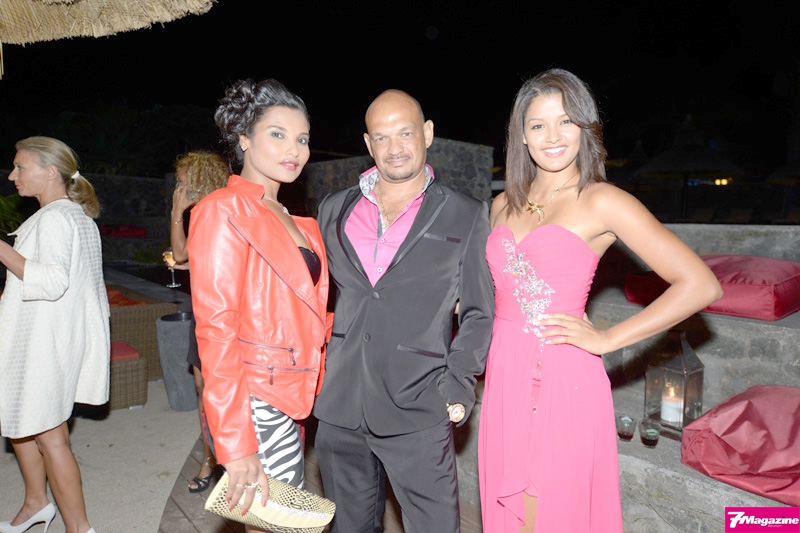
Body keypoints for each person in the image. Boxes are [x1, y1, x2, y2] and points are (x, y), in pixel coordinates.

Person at [478, 68, 723, 533]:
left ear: (584, 128)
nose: (553, 136)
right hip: (506, 376)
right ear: (521, 136)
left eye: (566, 121)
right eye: (538, 125)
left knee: (545, 516)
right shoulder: (501, 205)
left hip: (562, 376)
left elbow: (700, 284)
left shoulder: (602, 201)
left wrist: (609, 339)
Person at [313, 89, 494, 533]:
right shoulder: (333, 209)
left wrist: (458, 382)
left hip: (419, 404)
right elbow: (315, 299)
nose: (394, 147)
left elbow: (479, 312)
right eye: (382, 136)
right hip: (339, 404)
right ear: (368, 143)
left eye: (405, 133)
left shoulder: (466, 214)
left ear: (427, 133)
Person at [186, 78, 329, 529]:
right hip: (255, 399)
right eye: (278, 134)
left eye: (302, 138)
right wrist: (235, 443)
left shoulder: (297, 220)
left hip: (291, 394)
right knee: (276, 520)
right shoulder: (222, 209)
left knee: (274, 519)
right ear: (244, 138)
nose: (294, 149)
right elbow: (215, 329)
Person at [0, 136, 108, 533]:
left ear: (49, 172)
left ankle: (79, 528)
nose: (12, 175)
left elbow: (51, 281)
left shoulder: (57, 219)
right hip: (50, 337)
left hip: (45, 343)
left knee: (51, 438)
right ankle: (35, 503)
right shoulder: (74, 216)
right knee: (19, 420)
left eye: (20, 167)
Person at [165, 150, 228, 493]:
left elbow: (180, 252)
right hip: (203, 307)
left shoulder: (214, 209)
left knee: (220, 390)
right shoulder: (206, 212)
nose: (179, 188)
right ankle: (210, 457)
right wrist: (189, 264)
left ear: (201, 180)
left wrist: (176, 212)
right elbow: (199, 257)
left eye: (182, 182)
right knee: (203, 388)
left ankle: (231, 457)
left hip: (224, 313)